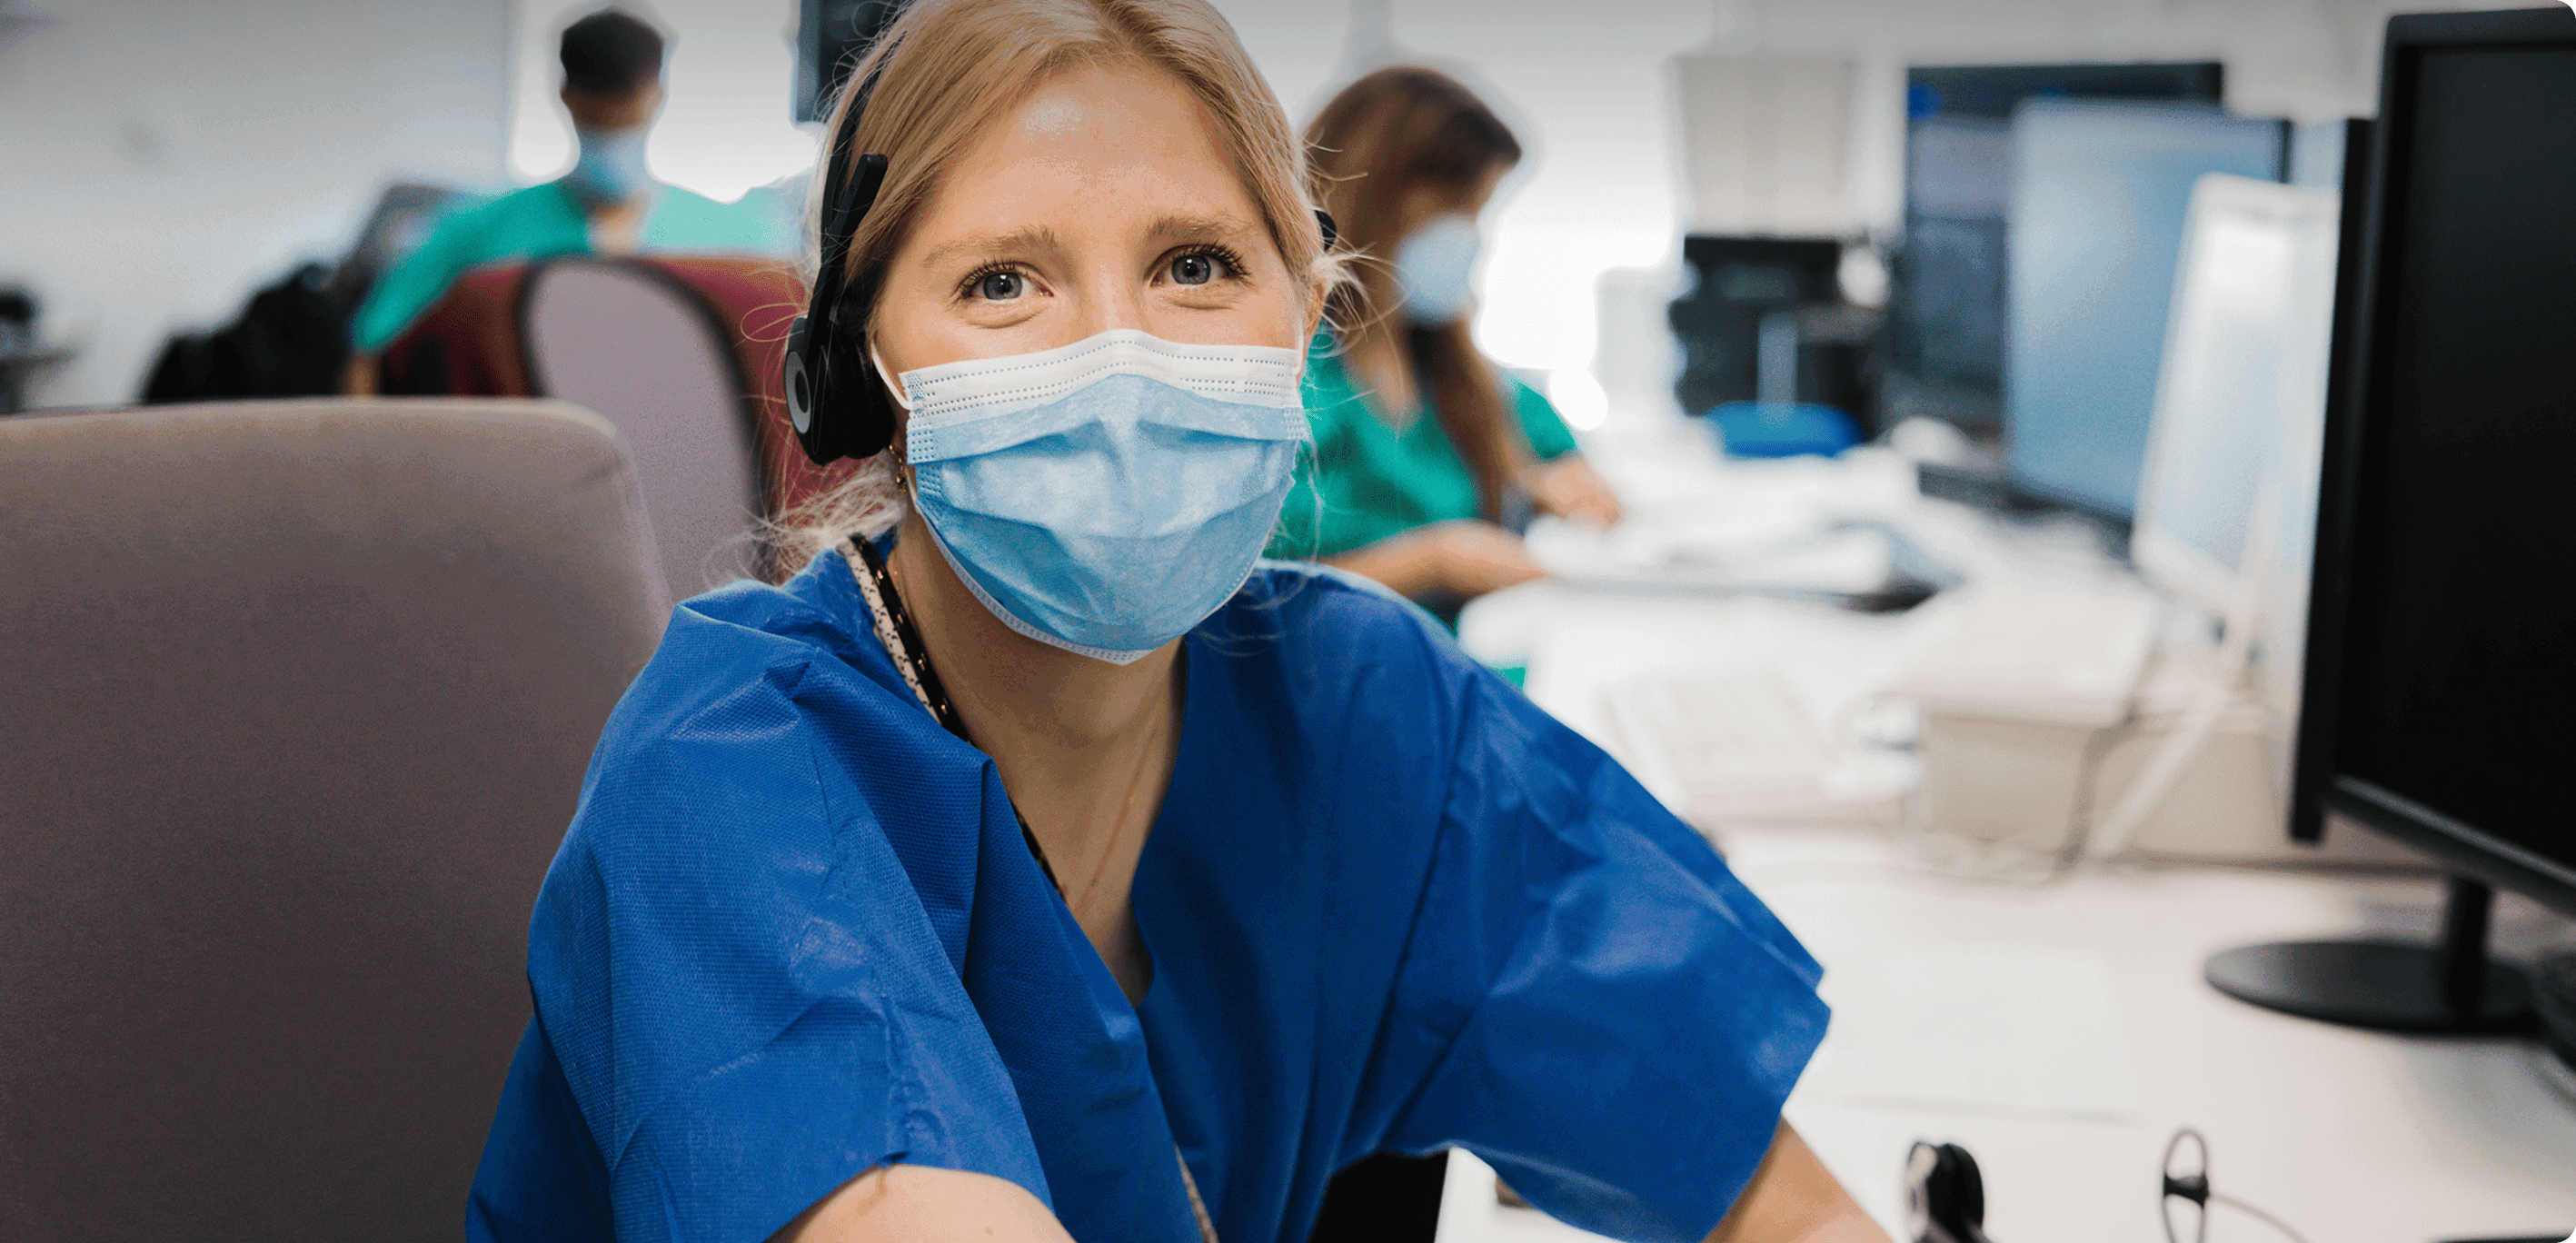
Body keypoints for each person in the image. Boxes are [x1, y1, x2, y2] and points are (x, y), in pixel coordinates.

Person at [465, 2, 1886, 1241]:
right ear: (855, 367)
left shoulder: (1363, 709)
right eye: (1001, 282)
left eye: (1196, 264)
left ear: (1304, 313)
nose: (1118, 356)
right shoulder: (725, 773)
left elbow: (1762, 1187)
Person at [1268, 65, 1624, 613]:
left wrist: (1559, 485)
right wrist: (1434, 561)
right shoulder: (1291, 376)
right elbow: (1253, 589)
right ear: (1380, 202)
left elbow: (1547, 447)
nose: (1472, 242)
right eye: (1460, 214)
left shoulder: (1442, 361)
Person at [342, 7, 796, 392]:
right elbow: (369, 347)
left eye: (625, 116)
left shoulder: (734, 238)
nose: (614, 137)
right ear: (566, 97)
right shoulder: (477, 230)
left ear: (657, 97)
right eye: (600, 118)